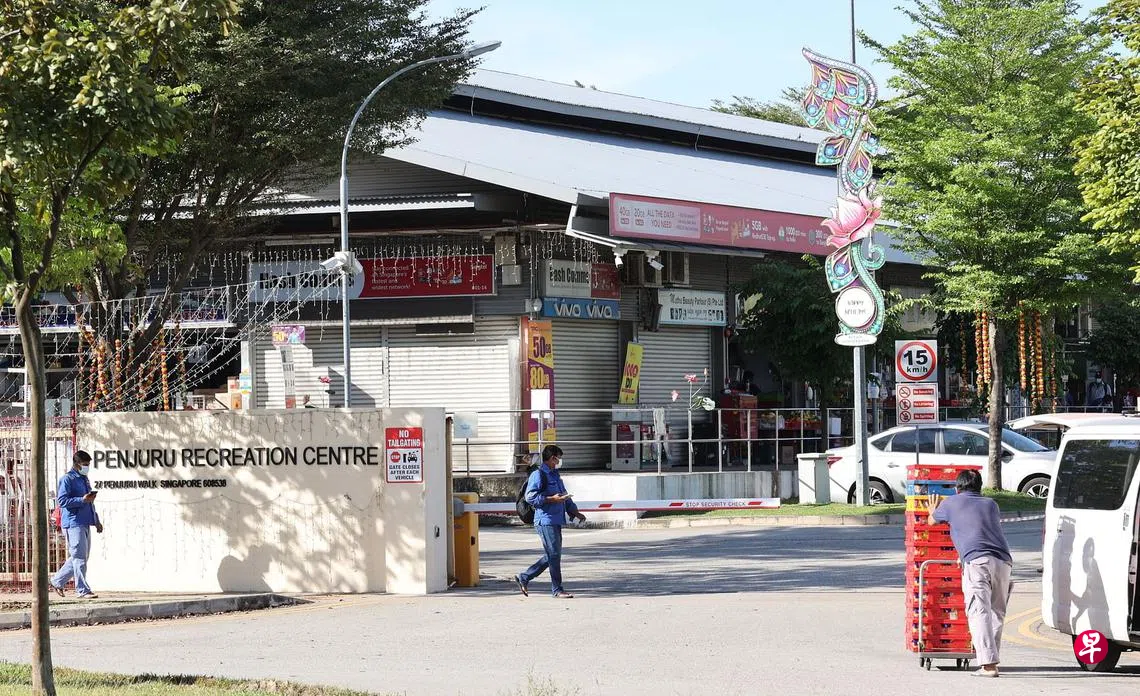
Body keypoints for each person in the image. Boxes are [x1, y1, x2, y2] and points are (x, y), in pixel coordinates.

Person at [927, 469, 1013, 677]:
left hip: (977, 560)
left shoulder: (951, 503)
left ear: (958, 488)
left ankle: (988, 665)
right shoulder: (991, 504)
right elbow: (978, 527)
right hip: (1003, 561)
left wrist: (932, 510)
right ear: (980, 487)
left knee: (978, 611)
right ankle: (991, 658)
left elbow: (932, 521)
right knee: (996, 612)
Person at [514, 445, 586, 598]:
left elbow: (565, 496)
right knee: (553, 555)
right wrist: (551, 499)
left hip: (556, 519)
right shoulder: (538, 475)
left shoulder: (555, 475)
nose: (559, 461)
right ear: (552, 458)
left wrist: (575, 512)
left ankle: (524, 577)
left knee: (553, 555)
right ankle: (557, 589)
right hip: (545, 520)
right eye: (558, 458)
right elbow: (530, 497)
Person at [49, 450, 103, 599]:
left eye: (88, 464)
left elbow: (89, 502)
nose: (87, 467)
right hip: (73, 522)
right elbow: (62, 501)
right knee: (79, 558)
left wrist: (96, 520)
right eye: (85, 464)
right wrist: (81, 500)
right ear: (77, 464)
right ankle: (82, 590)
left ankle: (57, 581)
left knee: (80, 557)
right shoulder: (67, 479)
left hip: (85, 521)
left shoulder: (84, 479)